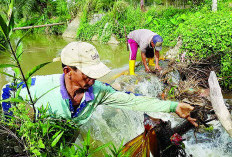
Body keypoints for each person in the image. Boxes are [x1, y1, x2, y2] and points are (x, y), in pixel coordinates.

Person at [1, 42, 197, 127]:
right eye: (88, 74)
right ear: (68, 71)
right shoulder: (40, 86)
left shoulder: (97, 92)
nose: (93, 80)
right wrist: (18, 121)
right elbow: (7, 90)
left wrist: (173, 106)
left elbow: (132, 101)